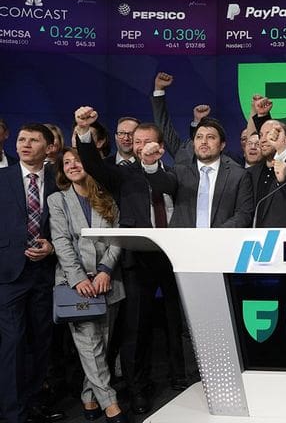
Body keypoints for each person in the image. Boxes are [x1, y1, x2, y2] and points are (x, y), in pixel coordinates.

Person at [73, 106, 186, 414]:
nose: (141, 147)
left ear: (160, 146)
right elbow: (93, 165)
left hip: (174, 257)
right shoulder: (122, 174)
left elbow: (165, 187)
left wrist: (151, 165)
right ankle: (137, 389)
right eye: (137, 142)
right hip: (137, 259)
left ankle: (180, 376)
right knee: (135, 327)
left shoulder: (174, 173)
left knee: (175, 321)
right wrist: (83, 132)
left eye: (148, 141)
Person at [48, 147, 127, 423]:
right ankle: (110, 402)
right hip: (76, 284)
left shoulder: (108, 198)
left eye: (77, 160)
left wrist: (105, 270)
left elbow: (118, 237)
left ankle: (88, 395)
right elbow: (61, 241)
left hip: (108, 282)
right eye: (66, 163)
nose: (72, 166)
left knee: (100, 344)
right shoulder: (57, 200)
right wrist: (79, 277)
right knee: (90, 344)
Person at [0, 123, 64, 423]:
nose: (25, 144)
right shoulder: (2, 178)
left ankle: (34, 402)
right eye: (21, 139)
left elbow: (67, 223)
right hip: (8, 274)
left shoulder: (58, 180)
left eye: (33, 140)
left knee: (41, 341)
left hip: (45, 273)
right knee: (13, 341)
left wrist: (52, 246)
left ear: (49, 147)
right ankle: (13, 413)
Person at [145, 117, 254, 229]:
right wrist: (150, 164)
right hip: (183, 238)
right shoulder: (180, 171)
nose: (204, 142)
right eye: (199, 137)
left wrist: (218, 234)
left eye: (210, 137)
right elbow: (162, 184)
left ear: (222, 145)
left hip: (222, 238)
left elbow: (244, 214)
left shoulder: (238, 175)